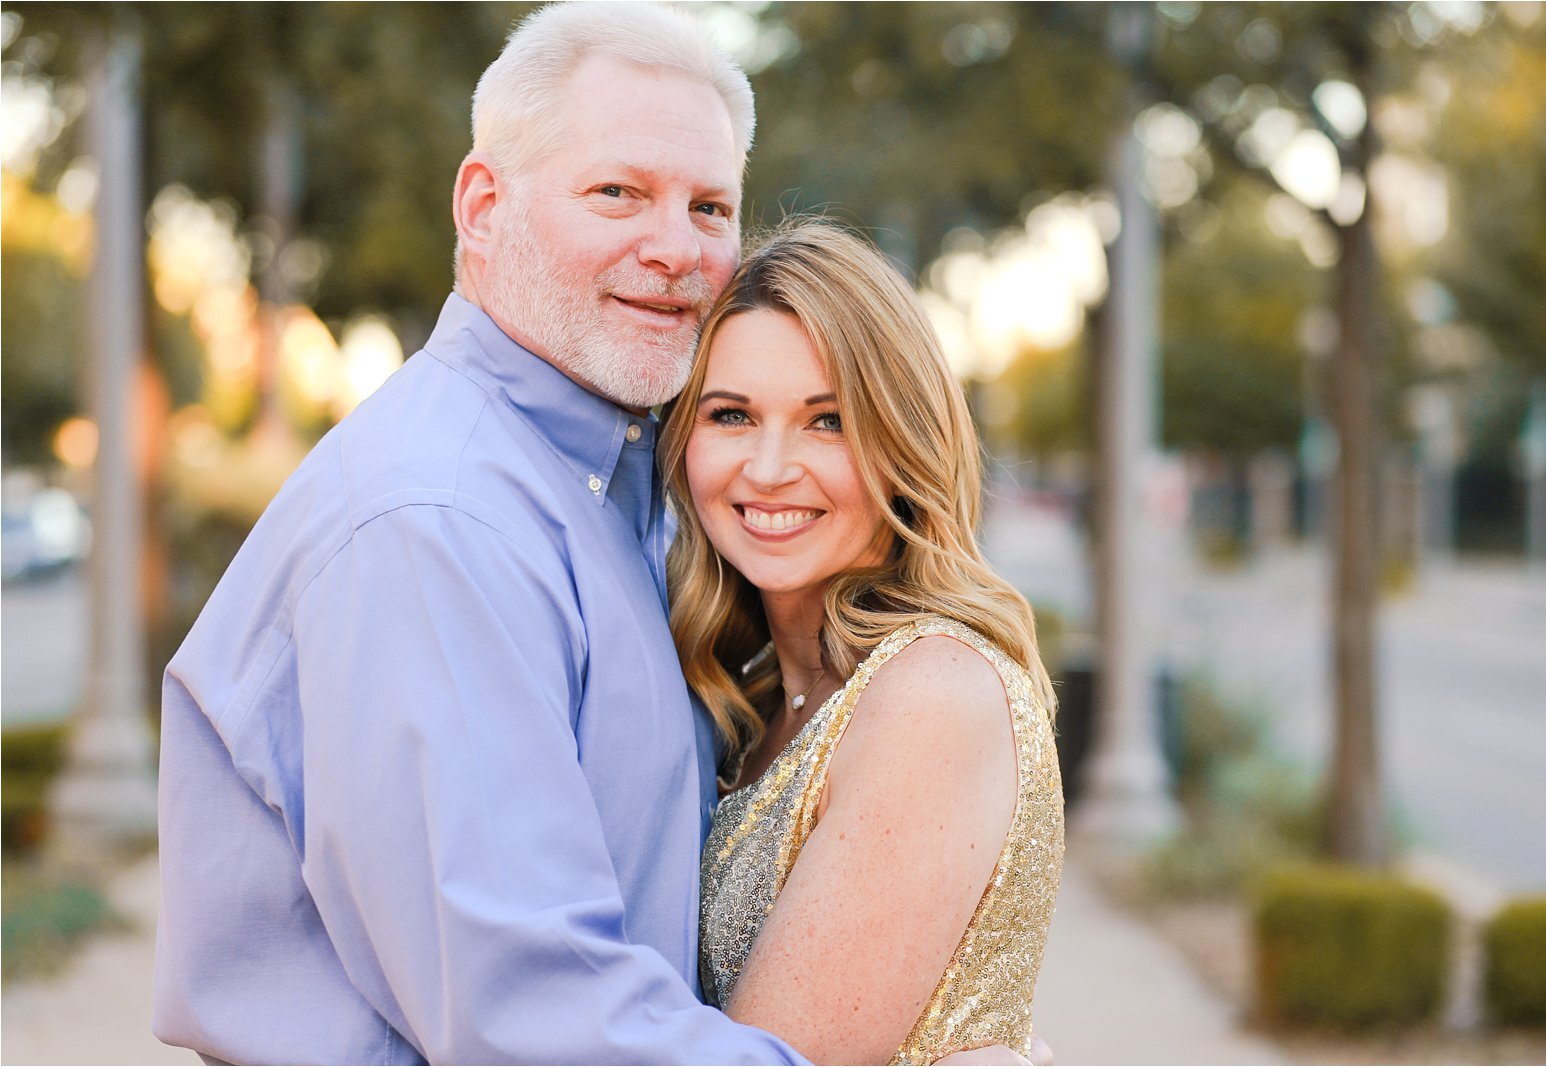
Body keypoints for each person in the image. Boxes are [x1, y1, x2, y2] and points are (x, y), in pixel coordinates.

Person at [153, 4, 811, 1062]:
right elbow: (532, 1017)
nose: (676, 251)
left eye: (709, 206)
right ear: (482, 203)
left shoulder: (611, 492)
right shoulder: (437, 521)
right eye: (618, 192)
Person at [659, 221, 1067, 1065]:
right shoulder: (767, 690)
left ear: (902, 440)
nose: (768, 468)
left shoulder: (931, 695)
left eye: (827, 421)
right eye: (731, 414)